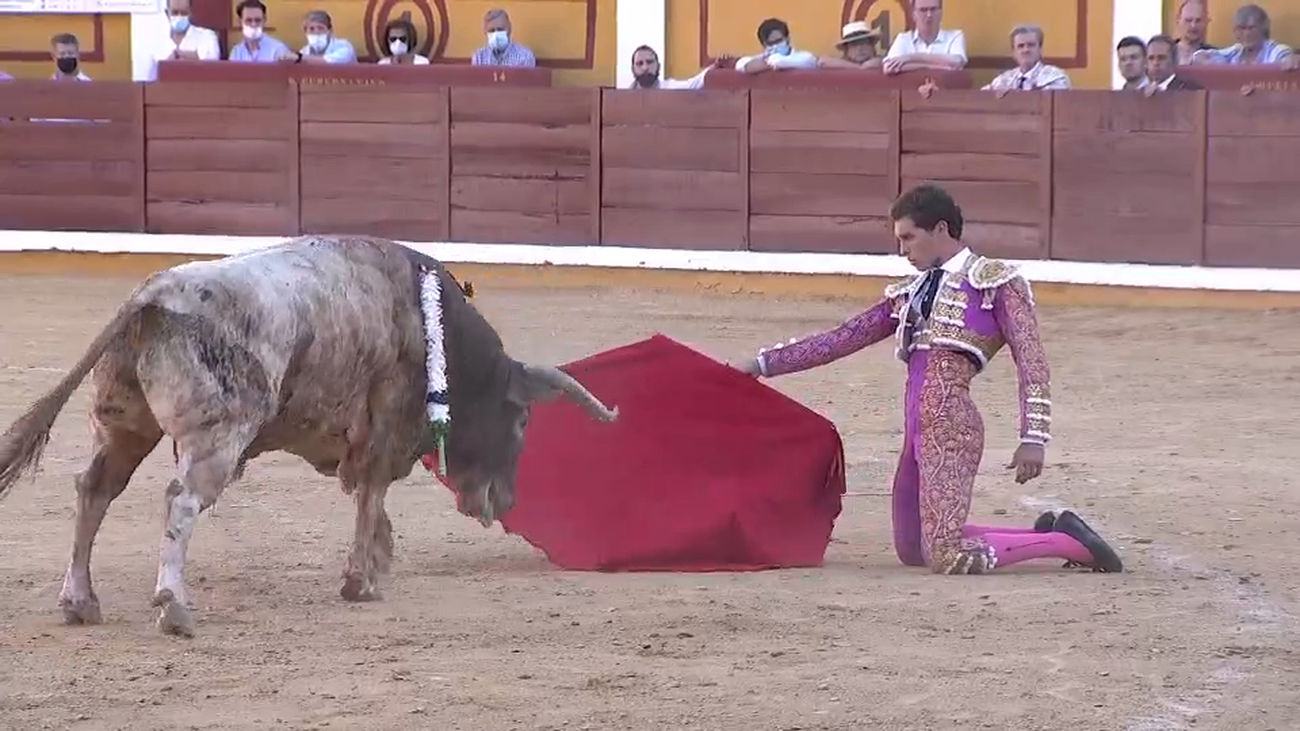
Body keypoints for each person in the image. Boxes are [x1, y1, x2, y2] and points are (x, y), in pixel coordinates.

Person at [733, 184, 1123, 575]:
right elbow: (844, 337)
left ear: (940, 229)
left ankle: (1068, 543)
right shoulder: (910, 292)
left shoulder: (994, 283)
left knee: (945, 555)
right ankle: (1043, 532)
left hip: (951, 428)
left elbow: (1032, 360)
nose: (903, 249)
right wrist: (763, 364)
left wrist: (1033, 438)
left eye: (908, 238)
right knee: (913, 549)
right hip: (916, 432)